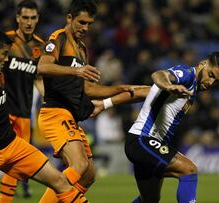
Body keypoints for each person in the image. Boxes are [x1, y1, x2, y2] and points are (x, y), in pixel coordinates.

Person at [0, 27, 88, 203]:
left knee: (60, 181)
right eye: (5, 54)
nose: (7, 59)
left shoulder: (2, 69)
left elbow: (37, 70)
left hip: (13, 145)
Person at [37, 0, 149, 202]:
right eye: (81, 22)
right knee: (78, 165)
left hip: (70, 117)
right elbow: (43, 67)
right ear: (69, 18)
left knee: (88, 175)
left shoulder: (82, 49)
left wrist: (118, 88)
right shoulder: (58, 38)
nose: (85, 28)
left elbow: (88, 90)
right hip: (54, 112)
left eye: (89, 23)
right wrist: (76, 70)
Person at [126, 51, 219, 203]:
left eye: (216, 80)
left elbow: (144, 92)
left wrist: (106, 103)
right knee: (189, 170)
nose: (210, 82)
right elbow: (158, 75)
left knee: (149, 199)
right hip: (142, 140)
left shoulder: (193, 89)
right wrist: (168, 86)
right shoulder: (187, 75)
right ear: (202, 64)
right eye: (210, 74)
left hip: (146, 144)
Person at [0, 1, 43, 202]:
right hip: (1, 112)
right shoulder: (5, 42)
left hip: (24, 114)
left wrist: (49, 102)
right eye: (25, 17)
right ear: (17, 18)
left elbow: (39, 79)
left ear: (38, 19)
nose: (29, 22)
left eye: (32, 18)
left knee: (15, 170)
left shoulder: (39, 47)